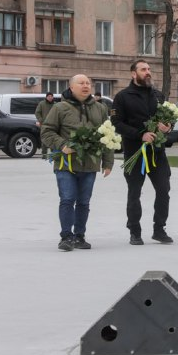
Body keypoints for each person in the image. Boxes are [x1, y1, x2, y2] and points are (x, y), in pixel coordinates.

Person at [41, 75, 113, 251]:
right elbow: (47, 132)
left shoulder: (100, 108)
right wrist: (62, 145)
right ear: (71, 87)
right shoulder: (60, 108)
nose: (86, 86)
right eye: (81, 83)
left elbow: (108, 135)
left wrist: (108, 161)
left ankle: (80, 236)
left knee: (84, 202)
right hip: (66, 164)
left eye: (88, 83)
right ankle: (66, 237)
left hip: (90, 164)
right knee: (67, 199)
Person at [111, 60, 174, 245]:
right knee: (134, 192)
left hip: (157, 153)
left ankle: (159, 229)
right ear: (133, 73)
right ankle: (135, 231)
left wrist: (168, 127)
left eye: (149, 69)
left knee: (164, 190)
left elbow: (169, 118)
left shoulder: (158, 96)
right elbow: (117, 123)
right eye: (143, 69)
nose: (148, 72)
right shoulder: (122, 96)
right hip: (135, 153)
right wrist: (140, 135)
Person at [35, 92, 56, 159]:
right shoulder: (42, 104)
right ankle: (44, 154)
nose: (50, 97)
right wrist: (41, 120)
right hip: (44, 125)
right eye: (49, 96)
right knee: (44, 139)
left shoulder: (55, 105)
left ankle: (54, 154)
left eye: (51, 96)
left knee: (53, 139)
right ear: (46, 97)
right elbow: (37, 112)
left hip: (54, 125)